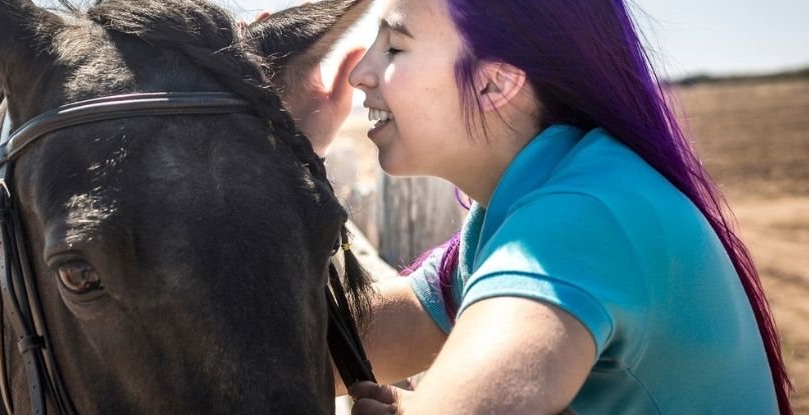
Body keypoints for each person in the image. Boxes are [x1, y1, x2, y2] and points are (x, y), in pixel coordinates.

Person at [277, 0, 793, 413]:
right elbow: (327, 350)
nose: (360, 73)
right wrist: (276, 148)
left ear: (495, 83)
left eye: (393, 47)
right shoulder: (539, 199)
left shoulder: (580, 222)